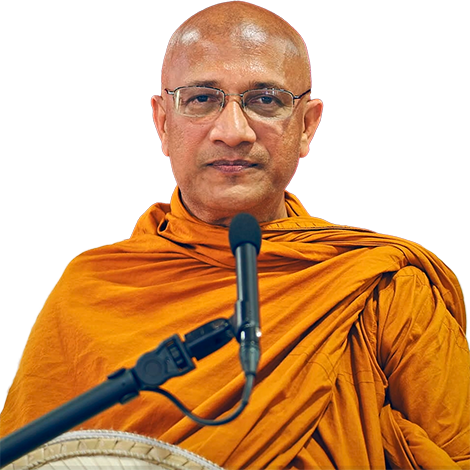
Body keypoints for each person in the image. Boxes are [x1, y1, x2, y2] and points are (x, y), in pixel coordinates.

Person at [1, 2, 469, 468]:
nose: (233, 132)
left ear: (306, 126)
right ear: (162, 123)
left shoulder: (380, 286)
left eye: (265, 100)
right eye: (201, 99)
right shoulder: (91, 291)